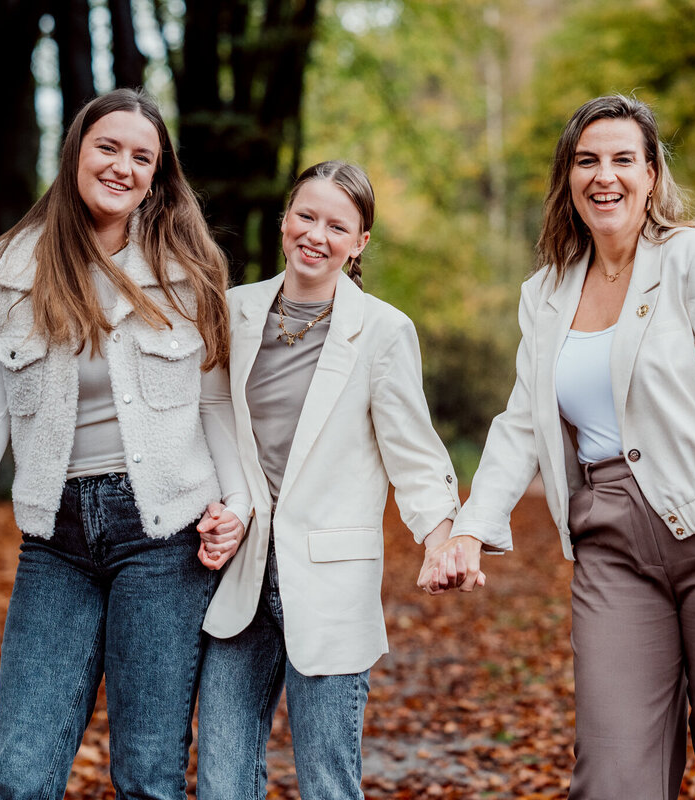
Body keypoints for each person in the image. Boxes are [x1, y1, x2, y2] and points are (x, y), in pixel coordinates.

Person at [420, 95, 695, 800]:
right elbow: (522, 419)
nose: (603, 176)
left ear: (651, 173)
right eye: (587, 161)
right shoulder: (545, 292)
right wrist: (468, 529)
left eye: (622, 160)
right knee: (613, 773)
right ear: (568, 177)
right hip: (609, 541)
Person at [0, 88, 249, 799]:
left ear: (159, 176)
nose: (123, 166)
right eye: (109, 147)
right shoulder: (10, 265)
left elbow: (217, 405)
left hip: (165, 539)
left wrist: (240, 506)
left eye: (143, 157)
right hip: (54, 540)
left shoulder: (189, 271)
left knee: (149, 777)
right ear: (75, 151)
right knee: (17, 778)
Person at [195, 160, 463, 800]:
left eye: (337, 226)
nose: (317, 234)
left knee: (326, 782)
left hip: (332, 577)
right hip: (240, 572)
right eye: (306, 216)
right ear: (286, 219)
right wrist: (215, 505)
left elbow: (413, 451)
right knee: (223, 780)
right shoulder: (233, 312)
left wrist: (441, 536)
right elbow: (206, 427)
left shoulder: (384, 331)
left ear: (360, 242)